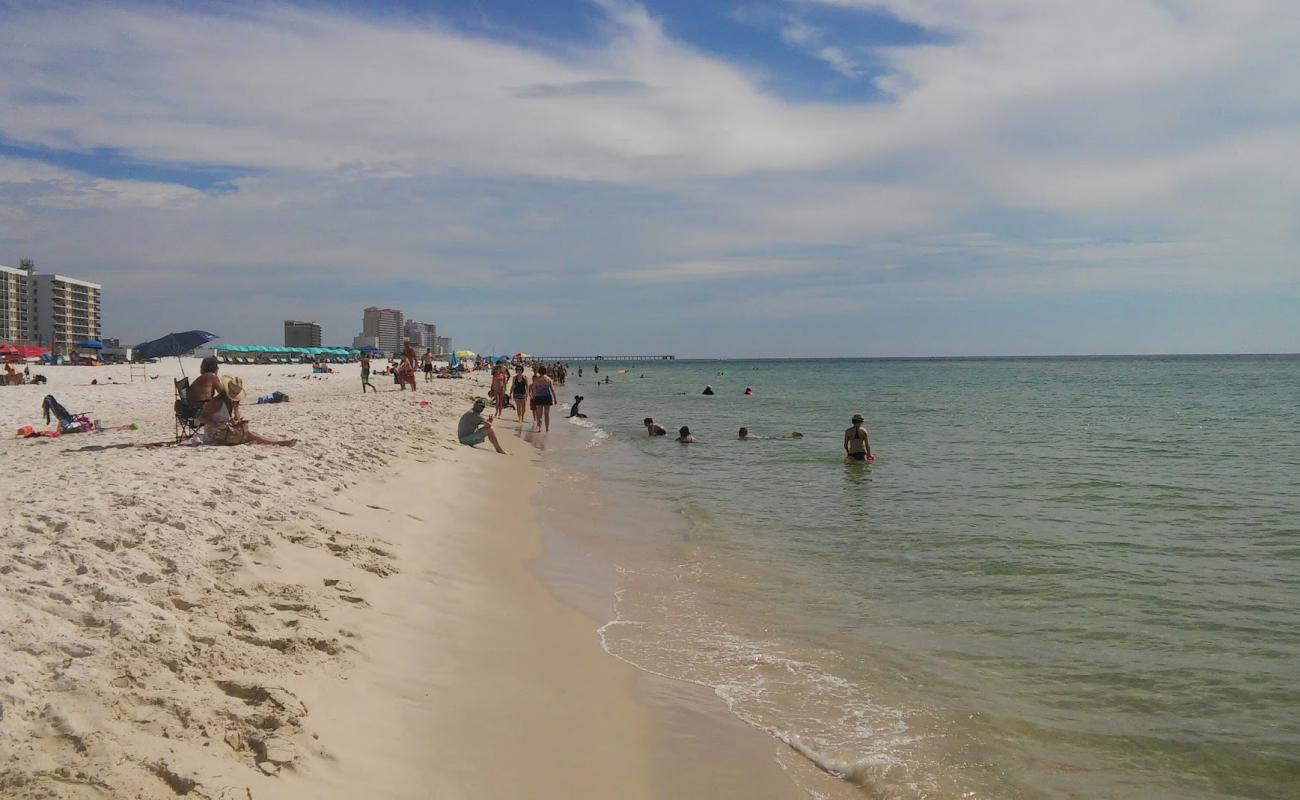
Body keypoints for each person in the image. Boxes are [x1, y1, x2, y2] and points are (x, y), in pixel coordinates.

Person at [190, 376, 295, 446]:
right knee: (248, 435)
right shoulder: (216, 402)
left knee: (248, 433)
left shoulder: (234, 402)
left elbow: (236, 416)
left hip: (225, 430)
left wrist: (237, 421)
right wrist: (216, 423)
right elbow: (201, 417)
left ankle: (275, 442)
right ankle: (276, 443)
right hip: (214, 433)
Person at [530, 365, 557, 432]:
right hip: (547, 397)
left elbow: (534, 389)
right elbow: (552, 390)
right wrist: (555, 399)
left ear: (539, 371)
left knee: (539, 414)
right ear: (545, 371)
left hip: (539, 397)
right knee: (547, 414)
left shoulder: (537, 379)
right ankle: (547, 429)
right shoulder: (549, 379)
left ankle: (539, 428)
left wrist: (534, 396)